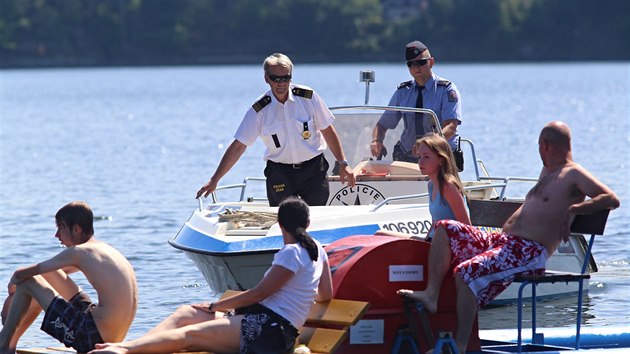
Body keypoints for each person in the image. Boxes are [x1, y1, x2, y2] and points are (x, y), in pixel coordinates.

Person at [397, 121, 620, 353]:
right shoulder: (548, 173)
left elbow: (611, 198)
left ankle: (460, 346)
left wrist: (575, 210)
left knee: (467, 271)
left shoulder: (573, 173)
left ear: (545, 145)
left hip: (528, 252)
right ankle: (431, 295)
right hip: (504, 243)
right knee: (445, 228)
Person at [90, 197, 333, 354]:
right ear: (307, 223)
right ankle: (130, 347)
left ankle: (125, 350)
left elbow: (259, 293)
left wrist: (216, 304)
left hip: (269, 332)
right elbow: (326, 294)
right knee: (188, 313)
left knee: (189, 336)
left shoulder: (291, 253)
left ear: (279, 224)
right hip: (266, 324)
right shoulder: (317, 252)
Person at [196, 53, 356, 207]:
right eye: (276, 79)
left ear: (291, 77)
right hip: (280, 172)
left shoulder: (308, 97)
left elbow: (327, 130)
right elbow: (239, 145)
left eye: (286, 78)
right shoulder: (259, 110)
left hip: (313, 169)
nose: (281, 83)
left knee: (315, 217)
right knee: (286, 221)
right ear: (266, 79)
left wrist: (343, 162)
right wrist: (214, 179)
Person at [0, 201, 138, 354]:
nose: (56, 235)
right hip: (112, 339)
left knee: (28, 283)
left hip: (92, 338)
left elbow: (20, 274)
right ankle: (9, 342)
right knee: (45, 274)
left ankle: (3, 345)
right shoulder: (105, 250)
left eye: (60, 227)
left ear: (76, 229)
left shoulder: (78, 252)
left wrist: (12, 293)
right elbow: (47, 273)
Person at [370, 40, 462, 164]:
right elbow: (382, 125)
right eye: (411, 64)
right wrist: (377, 141)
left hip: (439, 157)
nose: (416, 67)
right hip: (407, 157)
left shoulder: (446, 90)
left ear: (431, 62)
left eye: (421, 62)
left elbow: (451, 127)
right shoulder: (403, 92)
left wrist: (426, 145)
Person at [375, 133, 470, 240]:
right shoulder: (431, 185)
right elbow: (435, 222)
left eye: (426, 157)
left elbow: (467, 229)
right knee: (380, 234)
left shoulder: (448, 186)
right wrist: (425, 240)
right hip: (432, 242)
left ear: (441, 160)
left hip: (447, 246)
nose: (421, 161)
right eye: (419, 157)